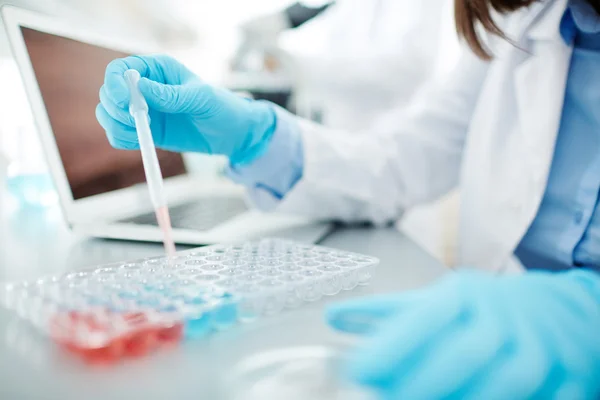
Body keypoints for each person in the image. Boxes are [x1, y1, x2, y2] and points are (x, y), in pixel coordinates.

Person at [97, 0, 600, 397]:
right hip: (477, 353)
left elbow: (395, 66)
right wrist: (252, 135)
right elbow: (403, 158)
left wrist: (586, 318)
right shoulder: (526, 23)